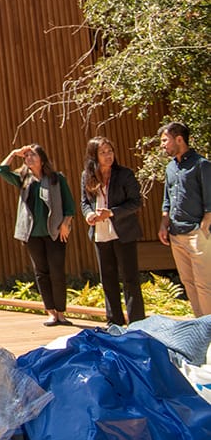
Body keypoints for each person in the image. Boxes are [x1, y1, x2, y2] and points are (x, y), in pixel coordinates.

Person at [0, 144, 75, 326]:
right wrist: (13, 153)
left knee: (57, 271)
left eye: (33, 155)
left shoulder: (57, 179)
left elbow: (69, 205)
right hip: (32, 234)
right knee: (41, 272)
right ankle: (51, 313)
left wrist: (66, 224)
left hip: (55, 232)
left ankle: (61, 312)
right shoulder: (23, 179)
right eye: (27, 156)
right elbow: (1, 170)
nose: (29, 158)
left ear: (42, 159)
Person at [80, 136, 145, 326]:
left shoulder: (124, 174)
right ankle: (114, 322)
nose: (108, 156)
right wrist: (88, 214)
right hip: (100, 233)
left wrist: (111, 213)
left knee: (130, 279)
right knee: (108, 280)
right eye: (103, 152)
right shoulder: (86, 176)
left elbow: (136, 202)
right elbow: (84, 202)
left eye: (110, 151)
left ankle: (137, 323)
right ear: (94, 156)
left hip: (123, 232)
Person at [157, 121, 211, 317]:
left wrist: (203, 228)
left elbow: (210, 201)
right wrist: (164, 225)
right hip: (176, 234)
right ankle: (200, 327)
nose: (162, 145)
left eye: (165, 141)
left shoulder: (202, 165)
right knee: (188, 283)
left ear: (179, 139)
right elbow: (167, 201)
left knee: (205, 285)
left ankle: (209, 329)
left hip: (197, 233)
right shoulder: (170, 168)